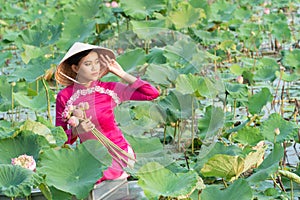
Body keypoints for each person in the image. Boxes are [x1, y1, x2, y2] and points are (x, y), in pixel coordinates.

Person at [55, 42, 159, 183]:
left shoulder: (110, 89)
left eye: (97, 62)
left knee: (94, 177)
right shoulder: (64, 96)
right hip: (88, 158)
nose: (94, 68)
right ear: (75, 68)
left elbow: (151, 94)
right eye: (88, 64)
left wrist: (121, 73)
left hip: (118, 154)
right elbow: (59, 138)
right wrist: (76, 131)